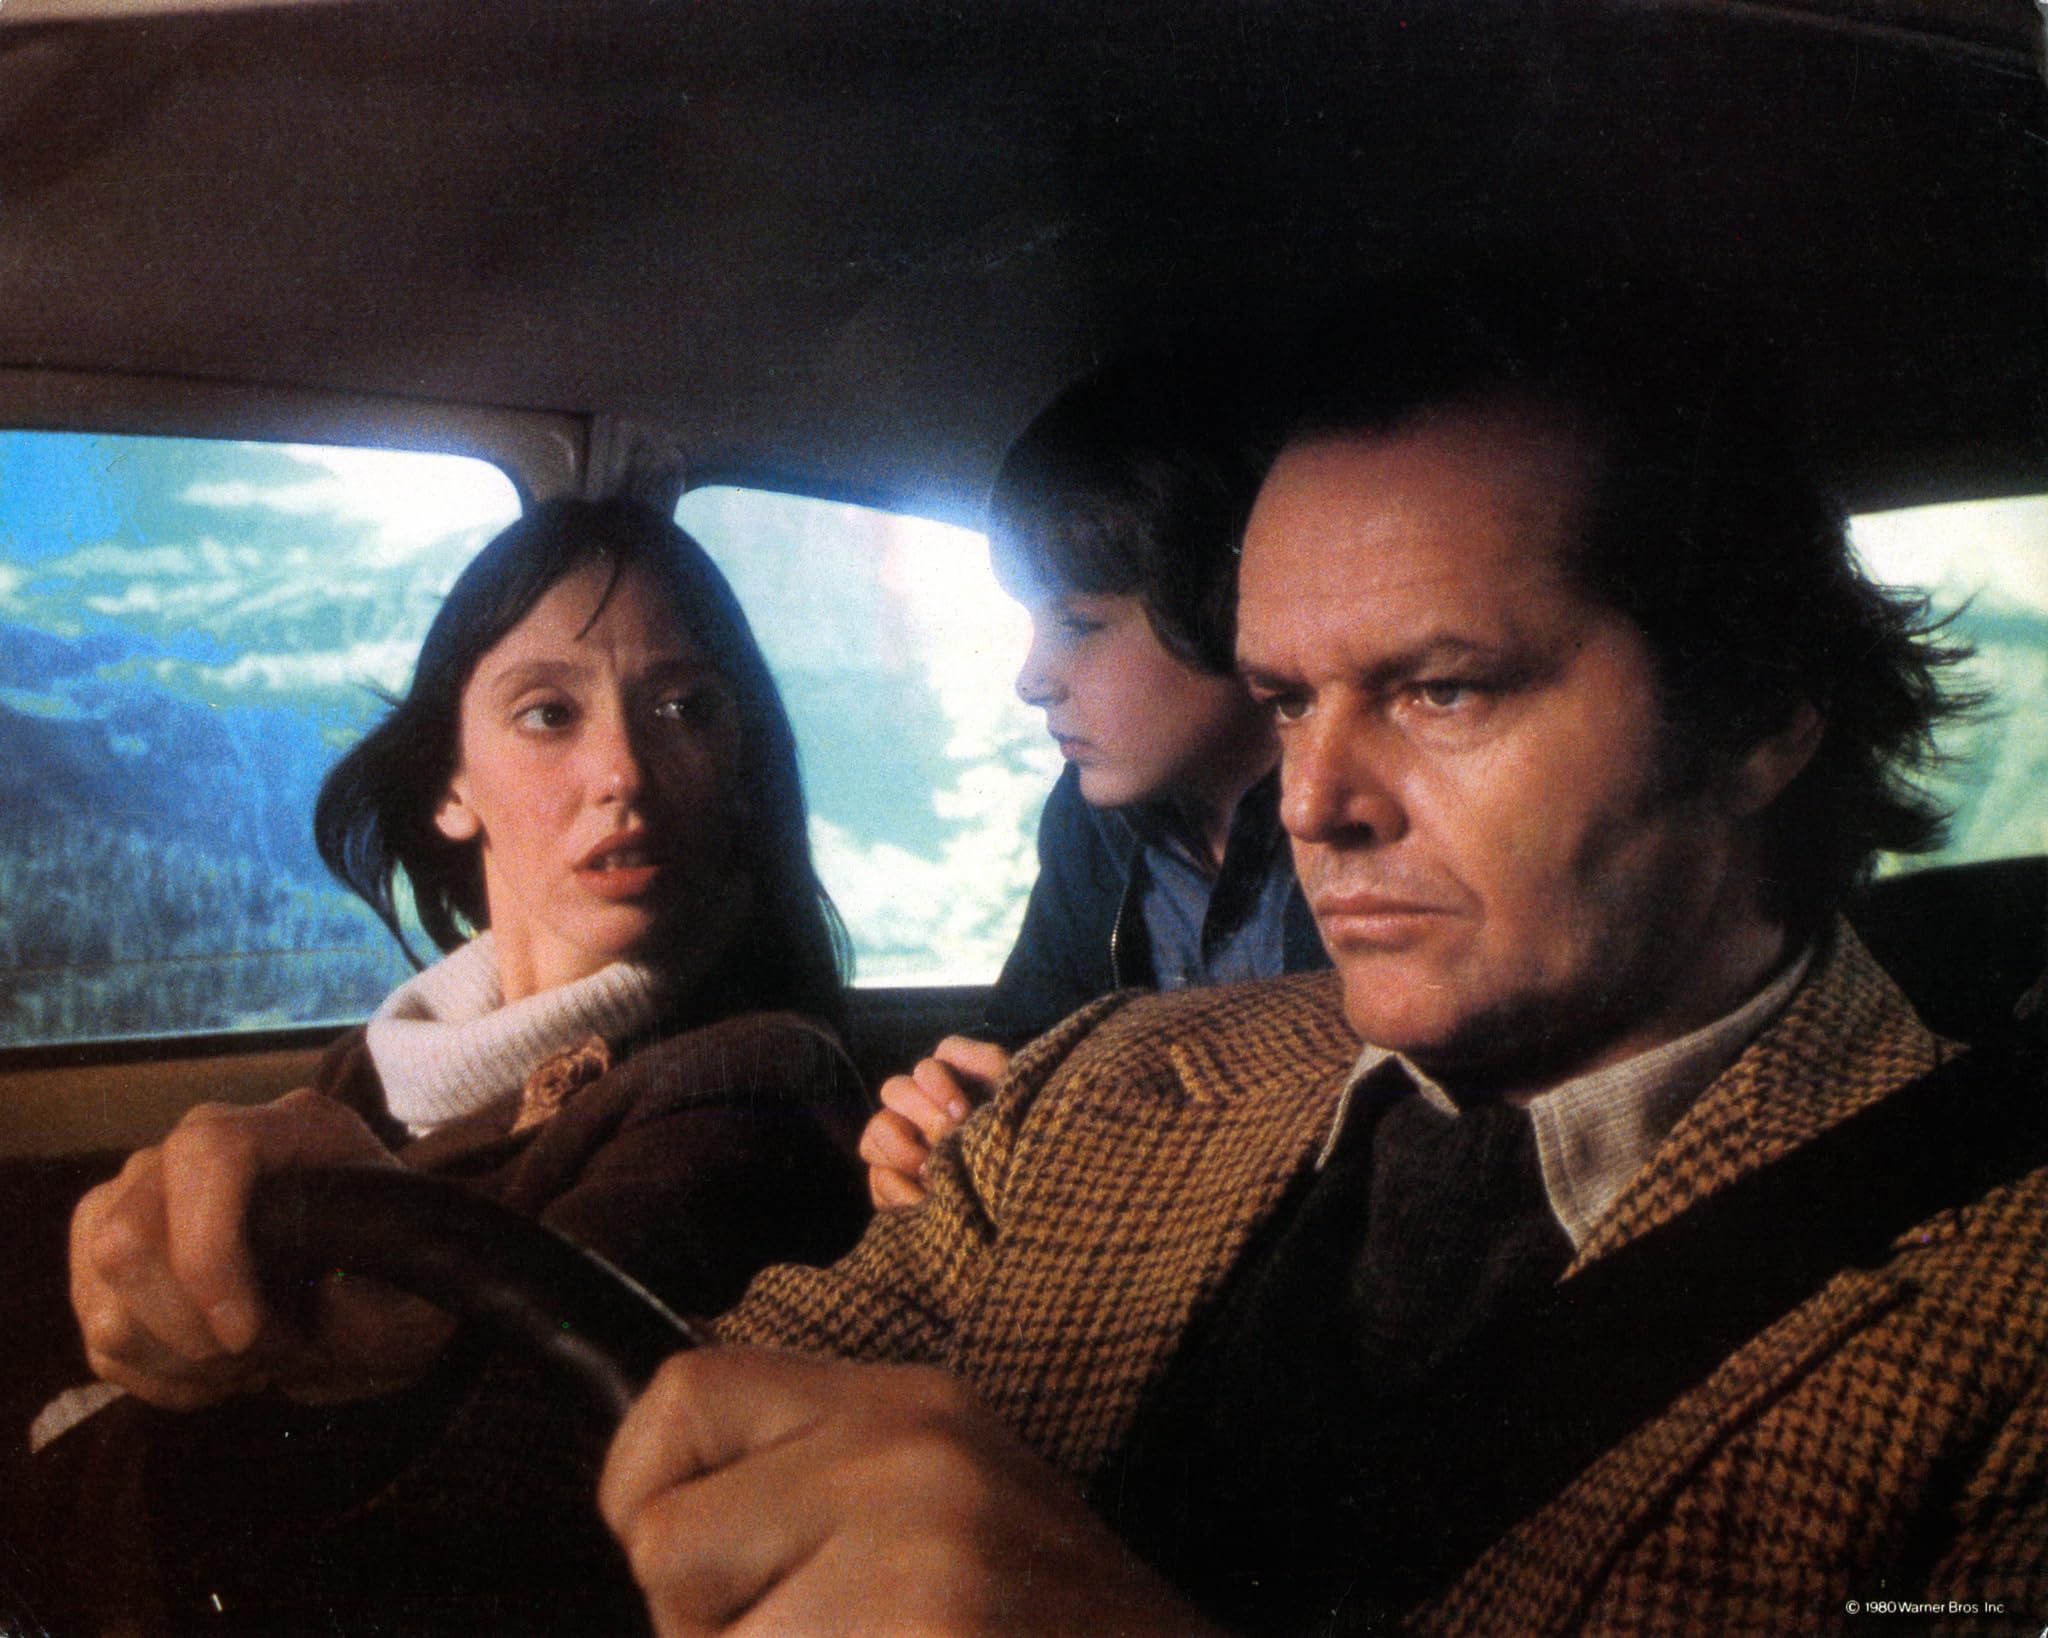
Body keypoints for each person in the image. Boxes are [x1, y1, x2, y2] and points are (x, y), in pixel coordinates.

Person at [597, 272, 2048, 1636]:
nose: (1311, 802)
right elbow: (674, 1434)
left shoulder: (2005, 1323)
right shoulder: (1104, 1084)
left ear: (1757, 716)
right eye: (1288, 702)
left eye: (1442, 689)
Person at [14, 498, 870, 1636]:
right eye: (547, 713)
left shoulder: (752, 1087)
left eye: (683, 707)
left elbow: (511, 1471)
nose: (621, 767)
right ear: (448, 787)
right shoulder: (369, 1070)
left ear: (739, 762)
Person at [860, 357, 1327, 1209]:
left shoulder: (1354, 820)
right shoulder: (1091, 822)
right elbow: (1023, 1045)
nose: (1032, 678)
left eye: (1077, 624)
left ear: (1227, 601)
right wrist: (934, 1127)